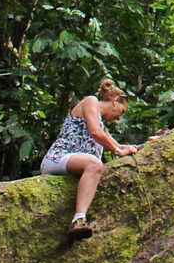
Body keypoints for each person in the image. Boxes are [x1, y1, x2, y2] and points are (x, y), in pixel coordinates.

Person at [40, 79, 138, 240]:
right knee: (95, 164)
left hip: (74, 162)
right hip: (58, 158)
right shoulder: (91, 102)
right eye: (122, 110)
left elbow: (118, 146)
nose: (120, 116)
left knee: (94, 163)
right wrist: (116, 150)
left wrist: (137, 148)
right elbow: (95, 133)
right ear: (115, 101)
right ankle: (79, 219)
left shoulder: (102, 125)